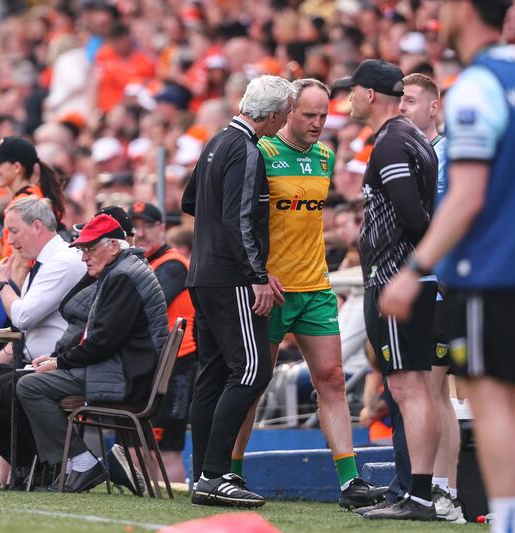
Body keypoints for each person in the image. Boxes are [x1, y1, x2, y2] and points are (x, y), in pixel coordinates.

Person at [380, 1, 515, 531]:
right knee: (504, 394)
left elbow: (468, 195)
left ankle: (509, 521)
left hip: (486, 262)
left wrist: (414, 269)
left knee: (491, 397)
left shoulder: (477, 87)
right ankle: (514, 514)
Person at [228, 78, 383, 509]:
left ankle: (350, 482)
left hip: (315, 285)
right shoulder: (260, 152)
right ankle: (232, 472)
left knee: (331, 379)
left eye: (323, 115)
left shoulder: (325, 156)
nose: (318, 124)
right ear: (288, 112)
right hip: (271, 289)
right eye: (309, 115)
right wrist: (257, 272)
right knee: (253, 383)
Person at [181, 75, 293, 507]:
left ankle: (202, 475)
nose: (284, 121)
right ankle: (214, 474)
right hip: (230, 278)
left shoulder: (215, 142)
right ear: (271, 113)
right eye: (285, 113)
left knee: (212, 375)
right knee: (252, 371)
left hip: (202, 275)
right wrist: (257, 275)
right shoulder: (247, 149)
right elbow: (240, 220)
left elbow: (191, 202)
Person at [16, 213, 167, 493]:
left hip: (124, 376)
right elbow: (98, 336)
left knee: (29, 386)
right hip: (121, 369)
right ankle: (74, 464)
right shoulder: (122, 269)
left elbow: (103, 342)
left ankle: (82, 463)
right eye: (82, 250)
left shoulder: (124, 275)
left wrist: (59, 362)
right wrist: (56, 361)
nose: (84, 257)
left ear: (112, 246)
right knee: (23, 382)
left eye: (89, 249)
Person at [349, 58, 439, 521]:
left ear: (370, 95)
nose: (347, 99)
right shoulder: (412, 138)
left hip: (397, 280)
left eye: (353, 90)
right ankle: (412, 488)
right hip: (407, 279)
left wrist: (408, 268)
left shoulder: (391, 143)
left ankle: (420, 495)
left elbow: (414, 216)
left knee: (410, 388)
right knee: (411, 387)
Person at [0, 197, 85, 488]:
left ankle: (41, 464)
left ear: (37, 226)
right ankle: (30, 465)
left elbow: (23, 316)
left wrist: (4, 284)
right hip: (37, 360)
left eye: (14, 231)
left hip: (57, 364)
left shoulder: (62, 260)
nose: (9, 240)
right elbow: (22, 328)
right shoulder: (42, 263)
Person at [398, 72, 463, 522]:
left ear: (435, 106)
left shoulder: (449, 153)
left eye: (412, 100)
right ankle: (430, 488)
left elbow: (460, 214)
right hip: (422, 285)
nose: (403, 107)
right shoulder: (420, 154)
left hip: (442, 287)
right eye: (400, 100)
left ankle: (444, 491)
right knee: (426, 388)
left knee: (435, 389)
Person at [129, 201, 196, 484]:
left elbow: (144, 308)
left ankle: (171, 503)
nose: (140, 233)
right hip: (153, 365)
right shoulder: (146, 263)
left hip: (177, 364)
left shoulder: (173, 264)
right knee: (137, 447)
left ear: (161, 228)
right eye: (135, 227)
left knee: (165, 450)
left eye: (147, 226)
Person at [0, 136, 68, 260]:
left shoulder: (21, 205)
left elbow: (21, 265)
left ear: (17, 167)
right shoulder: (36, 193)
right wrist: (0, 248)